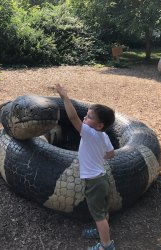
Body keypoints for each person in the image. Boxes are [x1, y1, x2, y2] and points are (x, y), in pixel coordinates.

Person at [55, 84, 116, 250]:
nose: (84, 118)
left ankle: (106, 245)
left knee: (98, 216)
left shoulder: (90, 133)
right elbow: (111, 154)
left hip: (94, 182)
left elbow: (73, 118)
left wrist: (65, 98)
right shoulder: (103, 136)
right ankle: (101, 232)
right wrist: (101, 156)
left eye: (89, 117)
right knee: (102, 210)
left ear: (99, 125)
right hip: (101, 177)